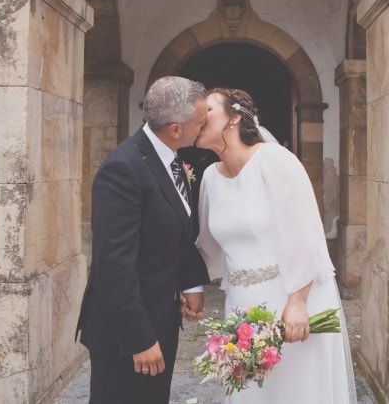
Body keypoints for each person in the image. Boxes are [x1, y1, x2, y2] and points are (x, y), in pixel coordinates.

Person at [195, 87, 357, 403]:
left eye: (209, 109)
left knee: (295, 393)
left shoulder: (274, 160)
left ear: (235, 117)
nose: (200, 115)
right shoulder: (209, 178)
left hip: (290, 297)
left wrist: (297, 301)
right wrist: (188, 286)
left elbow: (304, 231)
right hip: (241, 305)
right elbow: (206, 244)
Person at [75, 76, 211, 404]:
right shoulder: (123, 169)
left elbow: (175, 228)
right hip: (125, 332)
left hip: (160, 317)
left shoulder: (169, 155)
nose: (204, 127)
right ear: (175, 128)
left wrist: (190, 283)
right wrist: (139, 340)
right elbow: (114, 266)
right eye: (200, 122)